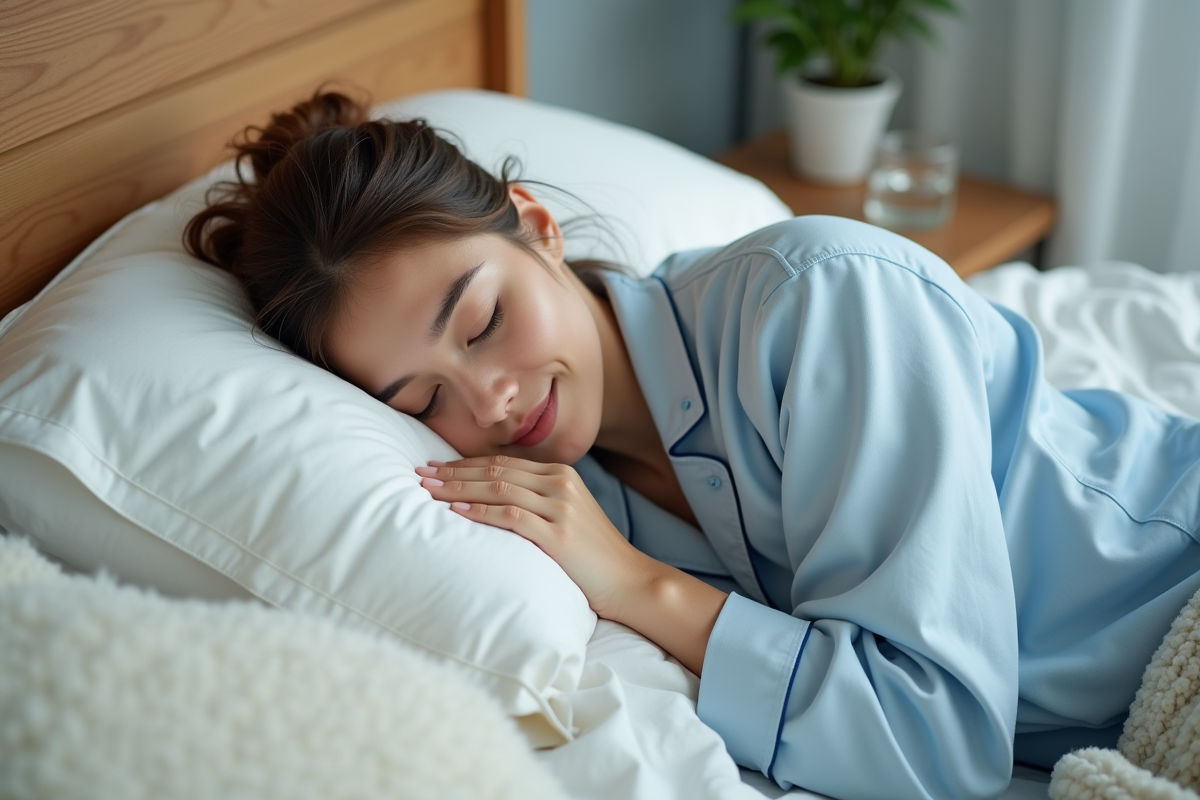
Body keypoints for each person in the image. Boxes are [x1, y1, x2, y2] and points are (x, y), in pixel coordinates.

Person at [186, 91, 1200, 800]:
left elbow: (935, 743)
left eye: (486, 317)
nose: (489, 397)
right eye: (421, 394)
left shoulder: (821, 305)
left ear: (536, 225)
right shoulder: (548, 509)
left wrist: (640, 585)